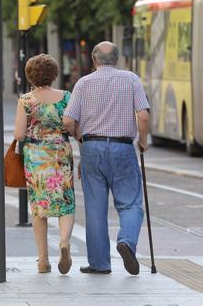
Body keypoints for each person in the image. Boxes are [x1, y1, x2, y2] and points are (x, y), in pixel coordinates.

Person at [63, 41, 150, 275]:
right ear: (117, 59)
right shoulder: (131, 79)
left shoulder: (83, 83)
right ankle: (127, 242)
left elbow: (68, 121)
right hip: (123, 148)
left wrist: (80, 139)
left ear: (94, 60)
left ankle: (100, 263)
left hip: (92, 148)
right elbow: (142, 115)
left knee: (95, 209)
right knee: (130, 203)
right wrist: (142, 140)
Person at [12, 54, 76, 274]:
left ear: (30, 75)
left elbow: (19, 135)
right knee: (65, 202)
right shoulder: (66, 96)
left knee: (39, 208)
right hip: (60, 155)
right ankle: (65, 242)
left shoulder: (26, 101)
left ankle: (43, 260)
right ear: (54, 74)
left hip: (37, 159)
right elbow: (72, 126)